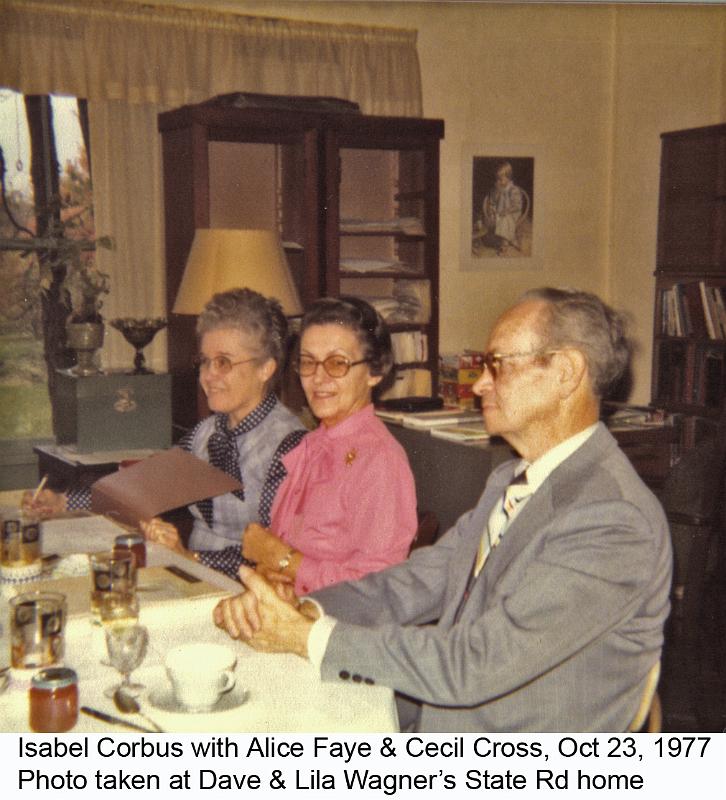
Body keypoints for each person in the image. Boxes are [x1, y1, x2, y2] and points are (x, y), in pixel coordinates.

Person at [213, 287, 673, 732]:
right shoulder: (512, 478)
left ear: (567, 372)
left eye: (498, 365)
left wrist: (309, 637)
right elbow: (416, 580)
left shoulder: (612, 519)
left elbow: (474, 665)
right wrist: (306, 609)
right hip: (441, 710)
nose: (480, 385)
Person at [23, 288, 306, 569]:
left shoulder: (290, 445)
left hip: (249, 588)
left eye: (223, 362)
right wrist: (62, 502)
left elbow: (276, 556)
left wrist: (189, 557)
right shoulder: (207, 432)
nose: (208, 376)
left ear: (265, 368)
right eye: (204, 361)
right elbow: (143, 489)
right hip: (195, 576)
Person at [160, 295, 418, 593]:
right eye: (308, 362)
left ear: (375, 371)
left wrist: (282, 561)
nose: (318, 378)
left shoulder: (379, 461)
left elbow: (378, 589)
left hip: (330, 620)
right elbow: (269, 551)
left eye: (337, 363)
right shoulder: (311, 446)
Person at [482, 161, 524, 255]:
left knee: (505, 220)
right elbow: (492, 201)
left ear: (508, 178)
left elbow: (517, 206)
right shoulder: (497, 189)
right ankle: (510, 238)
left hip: (512, 212)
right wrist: (492, 209)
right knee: (492, 218)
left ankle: (504, 244)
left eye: (500, 179)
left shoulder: (513, 190)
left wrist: (506, 211)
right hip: (500, 211)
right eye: (497, 179)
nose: (498, 182)